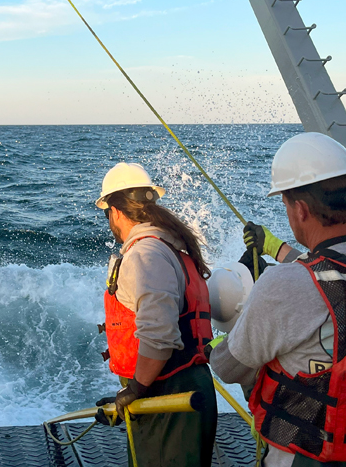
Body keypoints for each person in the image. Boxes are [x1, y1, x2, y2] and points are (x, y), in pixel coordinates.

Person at [210, 133, 346, 467]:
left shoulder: (281, 284)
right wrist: (279, 249)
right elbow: (337, 273)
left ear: (300, 209)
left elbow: (228, 367)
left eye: (286, 204)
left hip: (313, 458)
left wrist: (215, 342)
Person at [94, 162, 217, 467]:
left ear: (116, 212)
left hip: (170, 396)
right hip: (180, 389)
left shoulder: (146, 255)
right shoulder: (170, 248)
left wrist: (135, 389)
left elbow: (160, 336)